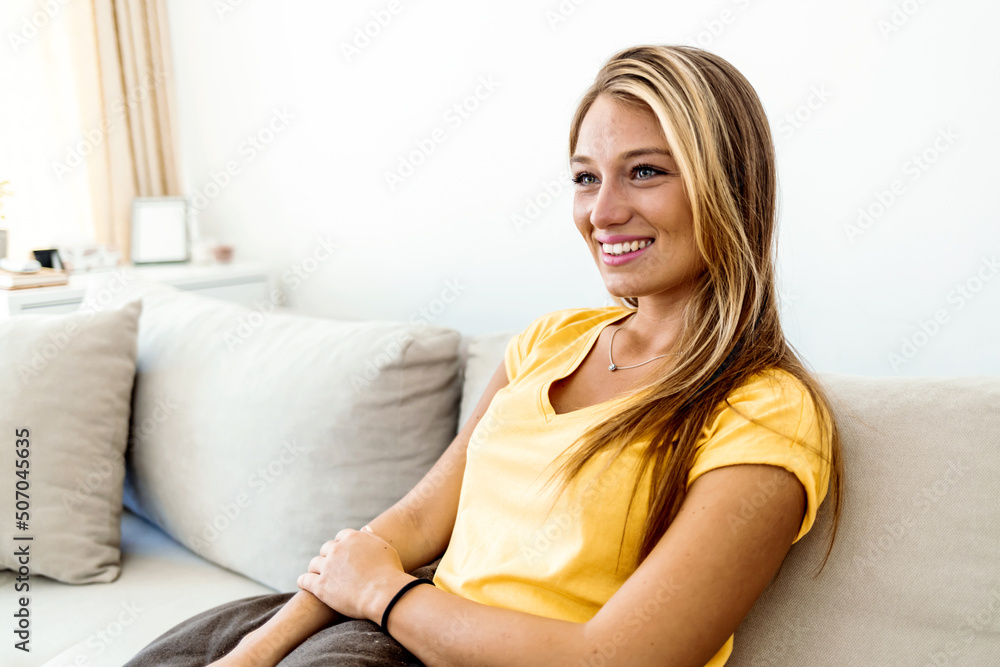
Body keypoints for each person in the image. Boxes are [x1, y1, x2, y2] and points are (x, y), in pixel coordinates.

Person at [125, 44, 842, 667]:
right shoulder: (550, 341)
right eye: (586, 177)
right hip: (395, 627)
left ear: (731, 185)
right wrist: (256, 649)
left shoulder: (765, 410)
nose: (602, 211)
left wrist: (384, 594)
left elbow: (620, 656)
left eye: (645, 172)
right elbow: (409, 526)